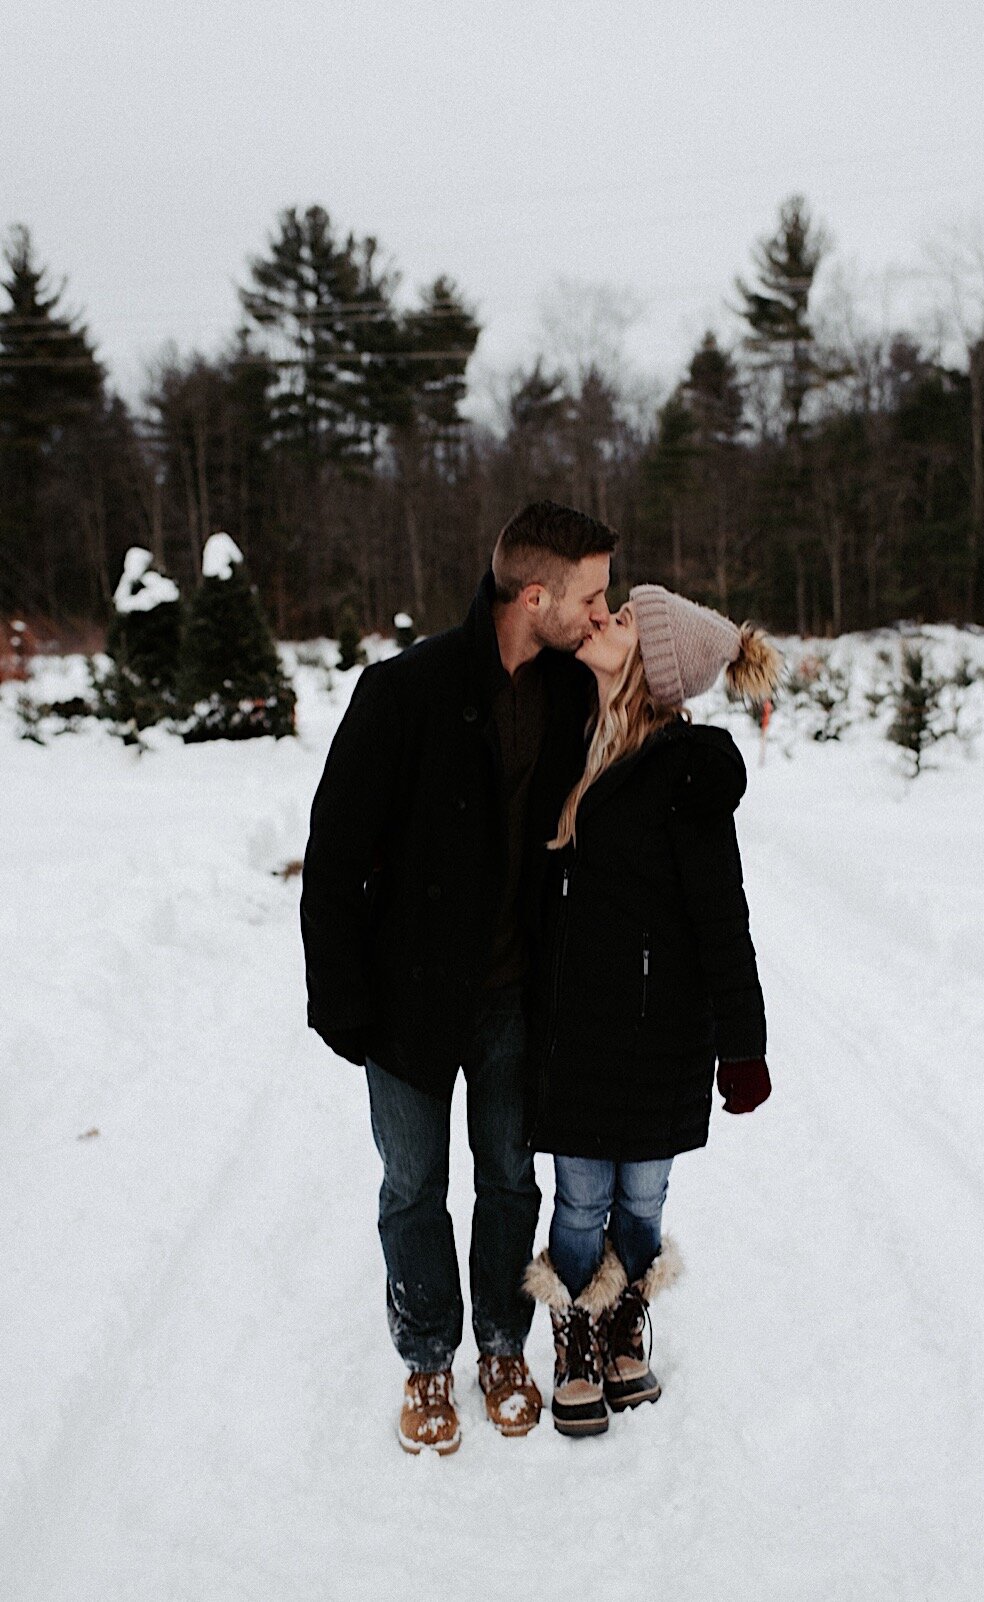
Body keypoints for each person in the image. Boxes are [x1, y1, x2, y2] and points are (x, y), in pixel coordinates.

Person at [300, 501, 616, 1455]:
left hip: (517, 993)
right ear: (534, 595)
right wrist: (341, 1002)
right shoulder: (404, 692)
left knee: (511, 1178)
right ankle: (428, 1356)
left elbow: (659, 706)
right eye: (591, 595)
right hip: (407, 1001)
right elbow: (334, 853)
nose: (602, 613)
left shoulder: (571, 690)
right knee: (413, 1183)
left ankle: (501, 1346)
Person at [523, 585, 779, 1436]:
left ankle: (623, 1315)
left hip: (665, 1028)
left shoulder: (683, 772)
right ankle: (573, 1333)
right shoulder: (565, 738)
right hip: (580, 1027)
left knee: (640, 1199)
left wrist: (743, 1045)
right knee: (578, 1197)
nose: (599, 620)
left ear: (653, 664)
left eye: (621, 620)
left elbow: (722, 916)